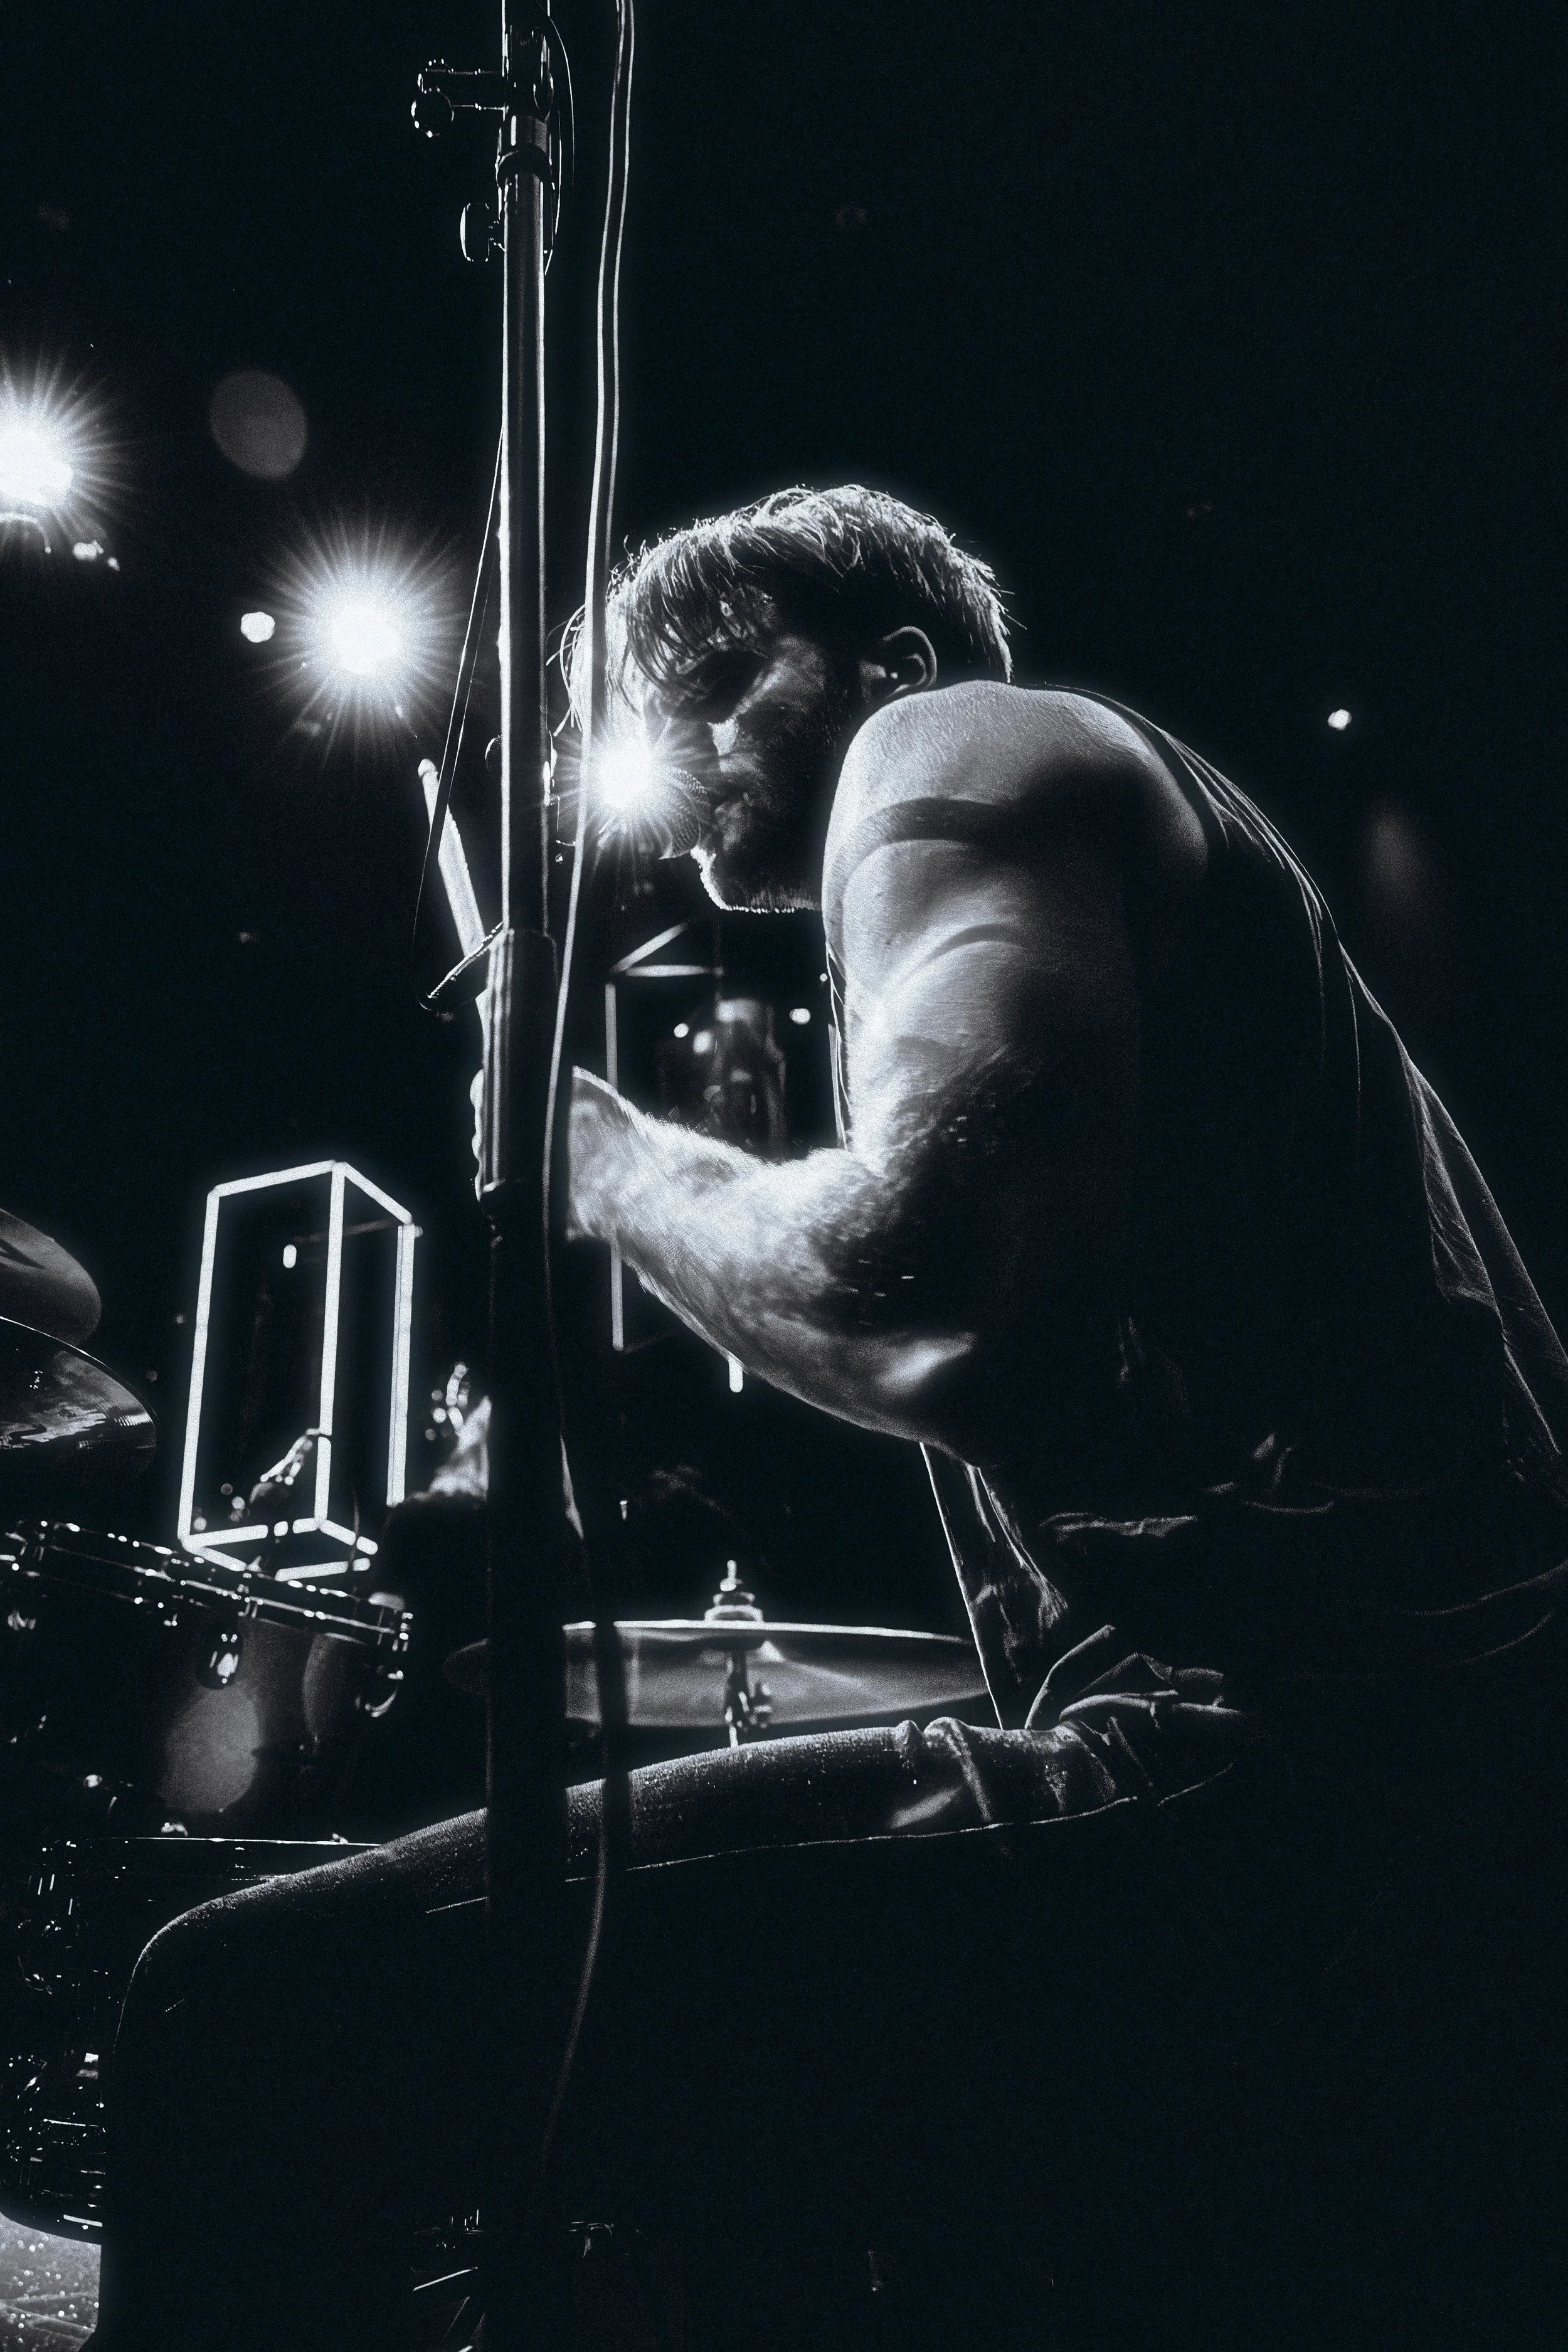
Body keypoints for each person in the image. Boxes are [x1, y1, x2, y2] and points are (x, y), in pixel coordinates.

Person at [86, 487, 1568, 2352]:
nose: (689, 752)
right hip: (1411, 1792)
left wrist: (590, 1152)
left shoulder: (951, 746)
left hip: (1304, 1761)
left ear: (897, 657)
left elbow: (929, 1298)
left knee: (236, 2011)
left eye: (720, 681)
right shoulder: (1127, 933)